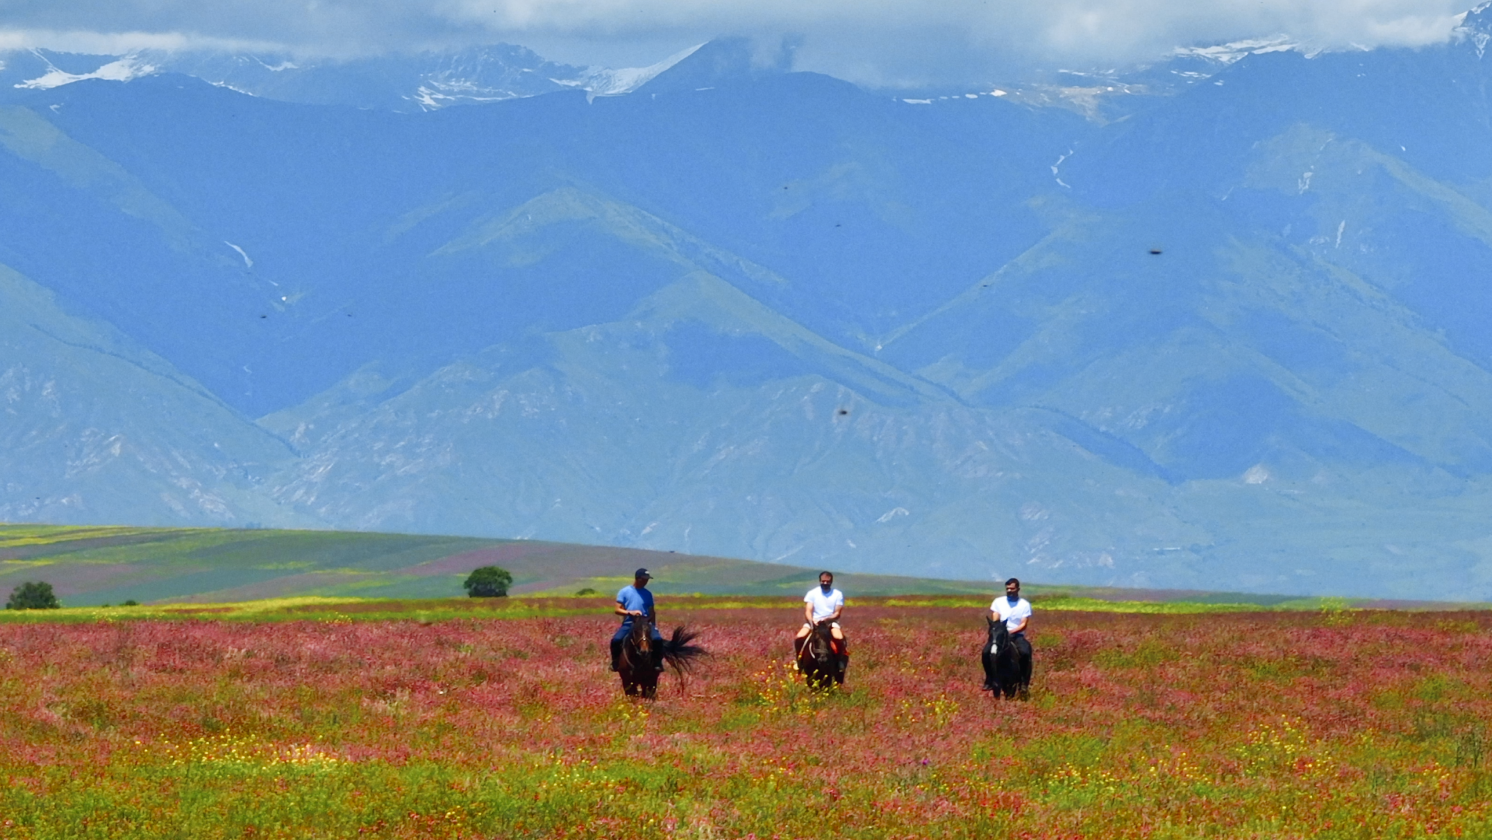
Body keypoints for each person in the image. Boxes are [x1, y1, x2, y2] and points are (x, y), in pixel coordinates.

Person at [612, 568, 663, 672]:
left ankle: (657, 663)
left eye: (647, 579)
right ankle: (616, 663)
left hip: (645, 623)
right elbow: (617, 609)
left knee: (657, 640)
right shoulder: (624, 592)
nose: (646, 581)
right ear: (638, 579)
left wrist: (653, 625)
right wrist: (630, 612)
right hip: (630, 622)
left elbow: (652, 611)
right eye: (644, 579)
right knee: (616, 640)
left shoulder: (648, 594)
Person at [795, 571, 847, 672]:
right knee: (799, 637)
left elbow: (837, 613)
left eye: (828, 581)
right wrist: (812, 620)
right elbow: (808, 610)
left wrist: (827, 619)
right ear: (820, 581)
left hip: (830, 622)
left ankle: (840, 660)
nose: (825, 583)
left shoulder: (837, 594)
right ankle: (799, 660)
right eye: (823, 581)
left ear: (831, 582)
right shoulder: (812, 593)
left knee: (839, 638)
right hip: (813, 621)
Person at [989, 577, 1033, 693]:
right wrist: (999, 630)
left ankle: (1024, 682)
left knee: (1025, 652)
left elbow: (1023, 624)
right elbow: (996, 618)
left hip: (1016, 635)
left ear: (1018, 589)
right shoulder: (998, 602)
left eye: (1012, 589)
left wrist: (1011, 632)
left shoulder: (1024, 605)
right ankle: (989, 680)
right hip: (1000, 635)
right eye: (1007, 588)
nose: (1009, 591)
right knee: (987, 652)